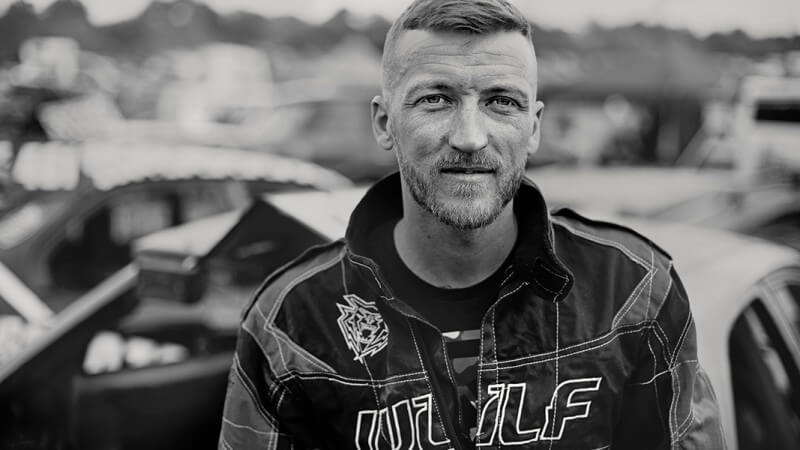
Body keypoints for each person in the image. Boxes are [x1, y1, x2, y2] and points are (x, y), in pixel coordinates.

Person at [219, 0, 725, 448]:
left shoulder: (631, 292)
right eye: (435, 99)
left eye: (501, 101)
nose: (469, 137)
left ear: (534, 127)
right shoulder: (292, 323)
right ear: (384, 123)